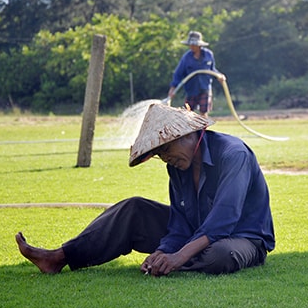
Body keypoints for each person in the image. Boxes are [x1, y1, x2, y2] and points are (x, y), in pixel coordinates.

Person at [15, 103, 275, 277]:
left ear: (187, 135)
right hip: (198, 235)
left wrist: (177, 257)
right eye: (160, 155)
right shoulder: (178, 166)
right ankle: (59, 257)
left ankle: (180, 263)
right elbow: (180, 223)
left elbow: (225, 219)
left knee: (221, 254)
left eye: (166, 151)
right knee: (134, 208)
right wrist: (164, 251)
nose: (165, 159)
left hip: (242, 238)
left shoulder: (233, 155)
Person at [167, 31, 225, 117]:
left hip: (205, 88)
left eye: (193, 45)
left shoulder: (208, 55)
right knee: (188, 113)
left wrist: (219, 76)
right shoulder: (186, 58)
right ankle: (190, 130)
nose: (191, 47)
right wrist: (173, 89)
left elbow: (212, 69)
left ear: (199, 45)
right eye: (190, 44)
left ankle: (203, 130)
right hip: (191, 89)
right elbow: (178, 74)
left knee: (203, 112)